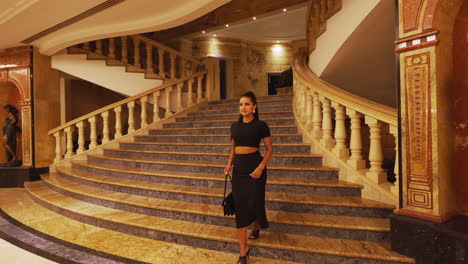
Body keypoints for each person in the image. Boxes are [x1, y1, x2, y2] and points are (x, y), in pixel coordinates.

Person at [224, 91, 273, 264]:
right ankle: (243, 251)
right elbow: (233, 148)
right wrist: (229, 163)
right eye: (241, 104)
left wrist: (261, 167)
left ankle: (257, 225)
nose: (243, 107)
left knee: (255, 201)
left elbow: (269, 149)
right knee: (241, 207)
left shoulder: (261, 125)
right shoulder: (234, 127)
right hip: (239, 170)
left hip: (255, 167)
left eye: (246, 104)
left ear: (254, 106)